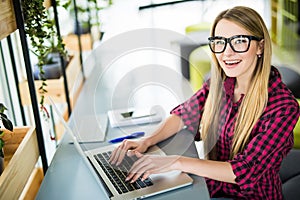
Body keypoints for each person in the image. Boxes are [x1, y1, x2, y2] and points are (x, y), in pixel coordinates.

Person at [109, 6, 300, 199]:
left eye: (239, 41)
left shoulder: (283, 107)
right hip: (212, 186)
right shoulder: (219, 84)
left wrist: (175, 162)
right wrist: (146, 141)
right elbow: (184, 114)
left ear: (260, 46)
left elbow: (242, 171)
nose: (227, 53)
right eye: (220, 42)